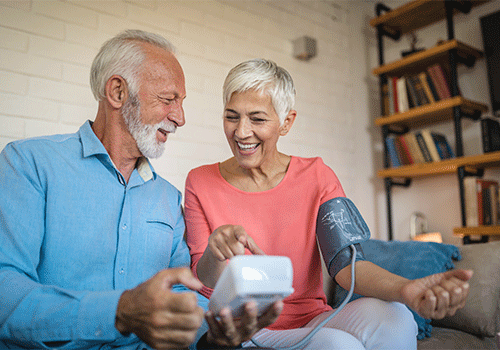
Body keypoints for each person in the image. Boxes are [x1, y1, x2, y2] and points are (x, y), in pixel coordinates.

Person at [0, 30, 281, 350]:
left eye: (181, 102)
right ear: (118, 92)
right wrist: (119, 312)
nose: (180, 117)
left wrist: (215, 334)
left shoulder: (168, 198)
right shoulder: (28, 164)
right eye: (167, 99)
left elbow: (181, 293)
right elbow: (5, 294)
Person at [184, 58, 473, 349]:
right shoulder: (200, 181)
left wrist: (406, 289)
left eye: (257, 119)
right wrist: (215, 251)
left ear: (287, 122)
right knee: (336, 344)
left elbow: (346, 265)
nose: (241, 132)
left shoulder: (317, 175)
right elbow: (202, 276)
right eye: (231, 116)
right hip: (248, 328)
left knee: (396, 317)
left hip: (312, 318)